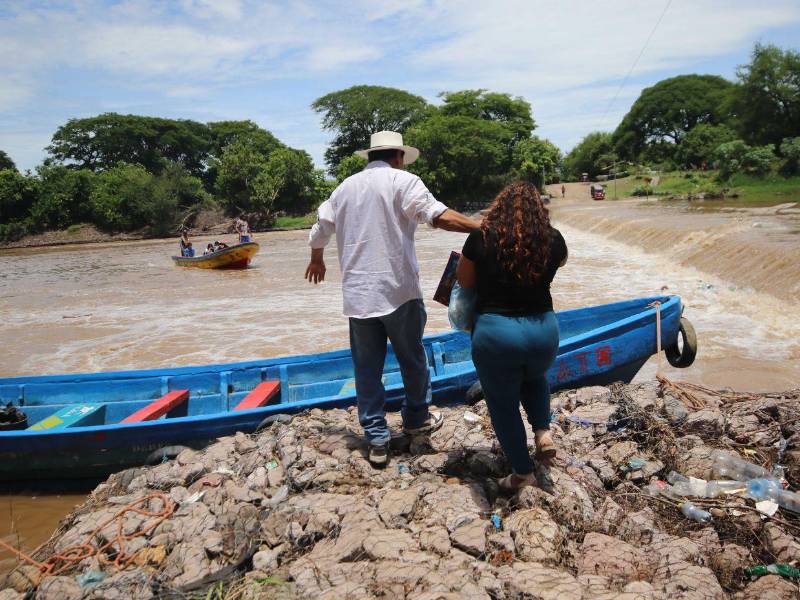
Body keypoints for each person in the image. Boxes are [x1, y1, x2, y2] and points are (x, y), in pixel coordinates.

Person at [305, 130, 480, 468]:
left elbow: (320, 230)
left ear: (371, 156)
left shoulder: (343, 189)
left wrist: (317, 260)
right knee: (412, 360)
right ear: (398, 156)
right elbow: (438, 216)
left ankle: (376, 439)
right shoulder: (404, 181)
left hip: (359, 296)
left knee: (366, 368)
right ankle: (415, 421)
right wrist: (480, 228)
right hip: (399, 291)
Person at [456, 181, 568, 492]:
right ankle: (543, 432)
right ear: (539, 210)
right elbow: (560, 263)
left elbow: (464, 280)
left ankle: (522, 473)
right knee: (534, 376)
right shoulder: (553, 239)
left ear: (498, 207)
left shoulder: (480, 237)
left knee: (503, 406)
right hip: (544, 332)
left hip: (497, 335)